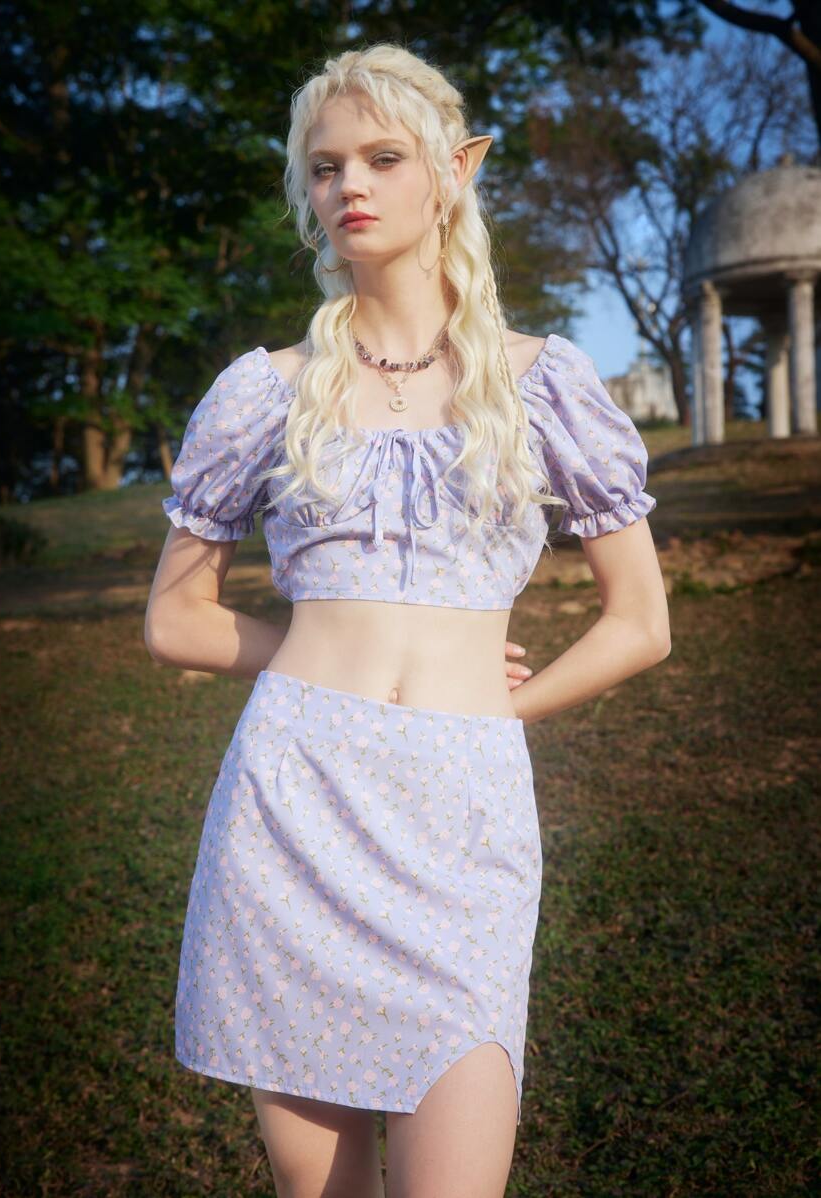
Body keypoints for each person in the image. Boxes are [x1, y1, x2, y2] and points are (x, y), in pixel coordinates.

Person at [145, 41, 670, 1198]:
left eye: (383, 158)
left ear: (457, 168)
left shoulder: (542, 383)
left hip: (462, 816)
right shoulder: (264, 391)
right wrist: (317, 652)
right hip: (293, 807)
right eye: (325, 165)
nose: (351, 186)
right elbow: (175, 620)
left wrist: (496, 704)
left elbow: (641, 621)